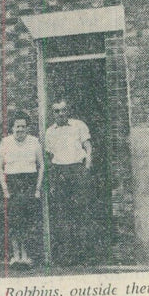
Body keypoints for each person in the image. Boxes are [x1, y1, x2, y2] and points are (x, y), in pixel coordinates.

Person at [44, 98, 91, 266]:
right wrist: (53, 179)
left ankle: (83, 255)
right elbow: (49, 157)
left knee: (81, 210)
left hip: (77, 169)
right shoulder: (50, 132)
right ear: (53, 113)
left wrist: (87, 167)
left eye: (63, 110)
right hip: (60, 171)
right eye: (56, 111)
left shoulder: (79, 125)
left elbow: (88, 147)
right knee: (63, 214)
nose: (60, 114)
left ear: (67, 111)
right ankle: (67, 256)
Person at [0, 111, 44, 267]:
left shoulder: (34, 142)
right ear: (12, 127)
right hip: (13, 184)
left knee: (28, 221)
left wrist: (37, 188)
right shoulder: (6, 142)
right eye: (17, 126)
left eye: (23, 126)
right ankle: (16, 256)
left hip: (29, 183)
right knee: (15, 222)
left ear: (27, 128)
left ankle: (26, 256)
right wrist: (5, 189)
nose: (20, 130)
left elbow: (41, 165)